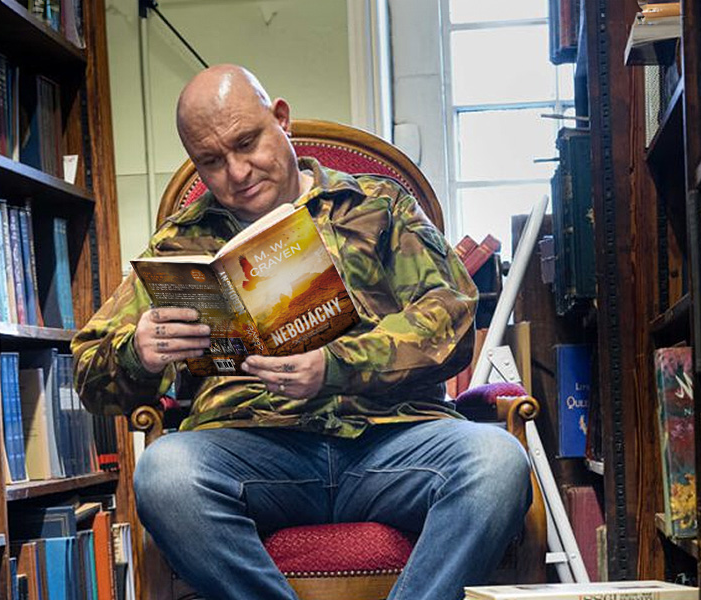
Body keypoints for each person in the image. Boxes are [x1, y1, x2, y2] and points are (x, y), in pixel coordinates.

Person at [71, 64, 532, 600]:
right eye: (211, 162)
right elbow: (88, 373)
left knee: (497, 462)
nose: (237, 172)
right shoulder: (180, 242)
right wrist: (139, 352)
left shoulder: (378, 205)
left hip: (393, 441)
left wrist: (336, 365)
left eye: (247, 143)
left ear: (281, 120)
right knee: (164, 475)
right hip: (251, 453)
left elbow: (450, 316)